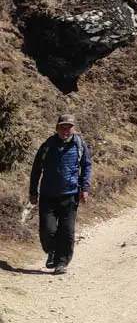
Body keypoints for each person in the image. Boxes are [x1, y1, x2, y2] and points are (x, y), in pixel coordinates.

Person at [29, 114, 92, 275]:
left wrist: (84, 188)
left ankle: (61, 262)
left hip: (70, 195)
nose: (65, 130)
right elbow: (36, 169)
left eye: (68, 127)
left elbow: (86, 166)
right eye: (62, 127)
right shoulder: (48, 146)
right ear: (56, 128)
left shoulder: (79, 145)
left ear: (74, 129)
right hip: (48, 195)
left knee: (67, 232)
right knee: (47, 231)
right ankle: (52, 251)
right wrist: (33, 191)